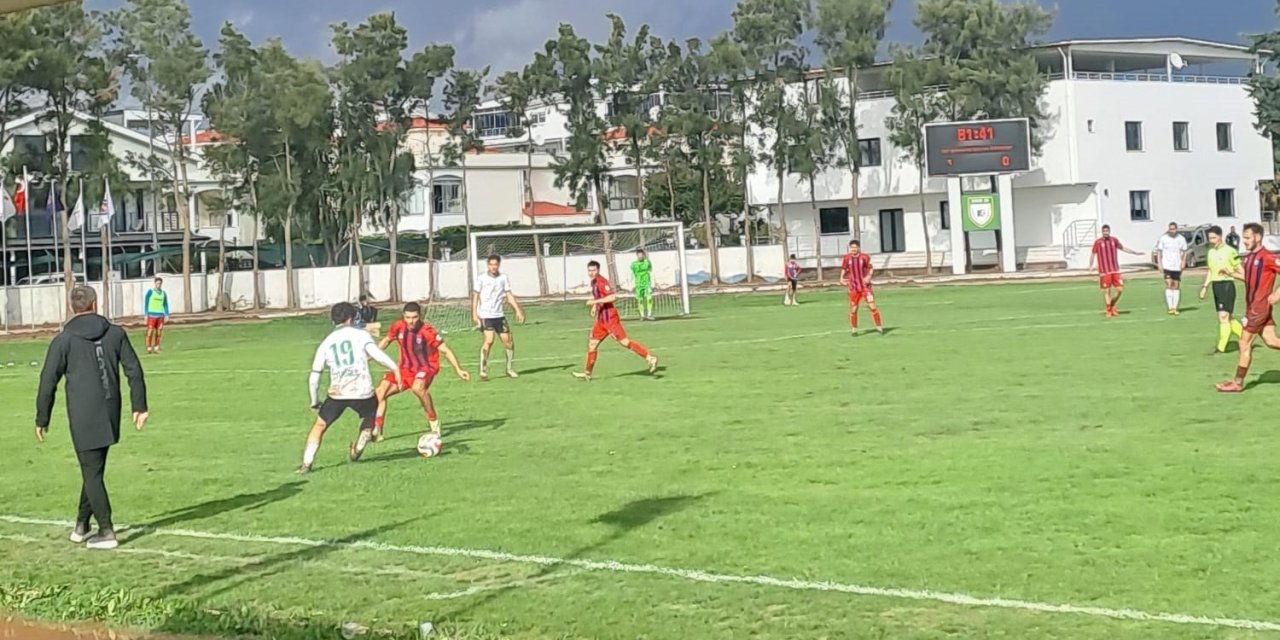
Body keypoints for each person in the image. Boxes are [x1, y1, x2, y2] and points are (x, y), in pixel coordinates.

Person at [35, 286, 148, 551]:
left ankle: (107, 530)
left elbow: (47, 381)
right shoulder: (116, 333)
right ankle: (82, 525)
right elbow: (134, 370)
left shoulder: (63, 340)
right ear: (94, 305)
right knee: (94, 469)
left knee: (92, 473)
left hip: (83, 415)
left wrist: (42, 418)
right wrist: (139, 405)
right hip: (111, 411)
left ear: (73, 308)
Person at [301, 302, 401, 473]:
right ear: (352, 317)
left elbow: (314, 376)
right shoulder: (361, 335)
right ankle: (360, 444)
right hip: (362, 391)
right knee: (370, 416)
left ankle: (306, 464)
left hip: (337, 393)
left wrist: (314, 400)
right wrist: (395, 368)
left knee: (319, 426)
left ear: (333, 320)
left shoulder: (326, 342)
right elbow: (377, 355)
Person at [371, 302, 470, 445]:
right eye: (407, 317)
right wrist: (372, 354)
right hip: (404, 369)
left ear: (420, 316)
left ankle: (434, 423)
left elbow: (446, 350)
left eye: (414, 317)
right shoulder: (398, 326)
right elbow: (387, 340)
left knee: (418, 388)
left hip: (425, 368)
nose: (411, 321)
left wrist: (459, 369)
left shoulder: (427, 331)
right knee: (380, 392)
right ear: (403, 317)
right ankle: (377, 430)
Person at [1216, 223, 1280, 393]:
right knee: (1272, 341)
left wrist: (1277, 294)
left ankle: (1238, 382)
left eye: (1247, 237)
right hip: (1254, 306)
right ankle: (1237, 382)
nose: (1244, 241)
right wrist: (1231, 273)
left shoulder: (1267, 256)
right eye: (1243, 237)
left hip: (1258, 309)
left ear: (1258, 237)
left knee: (1244, 343)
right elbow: (1249, 278)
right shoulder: (1249, 257)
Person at [573, 260, 658, 381]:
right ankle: (587, 373)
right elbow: (599, 296)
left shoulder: (603, 282)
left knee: (625, 342)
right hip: (601, 320)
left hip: (611, 320)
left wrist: (594, 302)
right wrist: (594, 307)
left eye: (594, 270)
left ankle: (650, 357)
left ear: (598, 270)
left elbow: (612, 296)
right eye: (589, 270)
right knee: (592, 345)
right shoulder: (594, 282)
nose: (591, 273)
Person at [472, 255, 525, 380]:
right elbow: (475, 296)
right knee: (489, 340)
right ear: (487, 265)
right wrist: (474, 314)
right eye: (491, 264)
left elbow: (508, 295)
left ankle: (509, 368)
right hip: (486, 315)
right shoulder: (481, 279)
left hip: (499, 315)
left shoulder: (503, 278)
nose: (493, 267)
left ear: (498, 265)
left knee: (509, 342)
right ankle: (483, 370)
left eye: (495, 264)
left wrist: (518, 310)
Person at [1199, 225, 1244, 353]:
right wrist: (1204, 287)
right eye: (1210, 238)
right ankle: (1245, 337)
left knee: (1223, 316)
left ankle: (1221, 347)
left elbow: (1240, 269)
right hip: (1216, 286)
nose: (1211, 240)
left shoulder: (1231, 251)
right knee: (1227, 317)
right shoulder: (1211, 252)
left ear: (1220, 236)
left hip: (1227, 285)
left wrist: (1233, 273)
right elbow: (1210, 271)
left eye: (1214, 237)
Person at [1088, 225, 1143, 317]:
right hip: (1104, 271)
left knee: (1120, 289)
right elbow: (1093, 254)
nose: (1106, 232)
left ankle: (1112, 304)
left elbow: (1123, 248)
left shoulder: (1114, 240)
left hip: (1115, 270)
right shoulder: (1098, 242)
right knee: (1107, 291)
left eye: (1107, 231)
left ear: (1109, 231)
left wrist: (1135, 253)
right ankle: (1109, 309)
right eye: (1104, 231)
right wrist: (1090, 266)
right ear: (1102, 232)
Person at [839, 240, 883, 335]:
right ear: (849, 248)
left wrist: (869, 276)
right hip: (854, 287)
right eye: (852, 247)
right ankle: (854, 330)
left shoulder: (865, 257)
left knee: (872, 307)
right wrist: (841, 278)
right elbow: (844, 268)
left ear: (858, 248)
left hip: (865, 287)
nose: (853, 249)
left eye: (855, 247)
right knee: (854, 309)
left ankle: (879, 327)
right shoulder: (847, 258)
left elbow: (870, 268)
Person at [1155, 222, 1189, 315]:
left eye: (1174, 229)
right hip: (1167, 265)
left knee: (1176, 285)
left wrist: (1183, 262)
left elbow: (1185, 251)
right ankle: (1170, 307)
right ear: (1168, 229)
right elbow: (1159, 251)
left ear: (1176, 229)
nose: (1172, 231)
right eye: (1171, 229)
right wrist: (1159, 263)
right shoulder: (1163, 238)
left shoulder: (1181, 239)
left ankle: (1175, 307)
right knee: (1168, 283)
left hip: (1177, 265)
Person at [143, 277, 169, 354]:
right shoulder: (150, 292)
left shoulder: (163, 293)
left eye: (160, 283)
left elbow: (165, 304)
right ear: (155, 283)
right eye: (157, 283)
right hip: (151, 315)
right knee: (150, 331)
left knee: (159, 332)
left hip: (160, 315)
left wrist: (167, 314)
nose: (158, 285)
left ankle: (157, 347)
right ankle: (148, 347)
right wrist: (145, 315)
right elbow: (146, 303)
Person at [631, 249, 655, 320]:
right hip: (638, 284)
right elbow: (632, 274)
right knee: (640, 300)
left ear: (644, 255)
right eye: (639, 255)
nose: (640, 256)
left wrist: (653, 283)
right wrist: (632, 285)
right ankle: (642, 315)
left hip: (647, 283)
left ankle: (649, 314)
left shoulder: (647, 262)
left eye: (641, 255)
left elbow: (651, 271)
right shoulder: (634, 264)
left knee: (649, 298)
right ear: (637, 256)